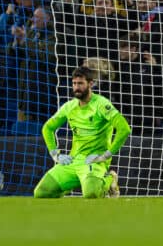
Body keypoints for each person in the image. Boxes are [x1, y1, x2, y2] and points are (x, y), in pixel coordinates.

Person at [33, 66, 131, 199]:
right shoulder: (69, 107)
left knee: (91, 194)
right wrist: (55, 155)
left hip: (94, 161)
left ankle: (109, 180)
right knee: (41, 192)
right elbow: (47, 128)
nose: (76, 87)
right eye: (74, 83)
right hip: (73, 161)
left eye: (80, 83)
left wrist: (105, 156)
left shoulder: (101, 104)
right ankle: (71, 187)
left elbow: (124, 128)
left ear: (90, 84)